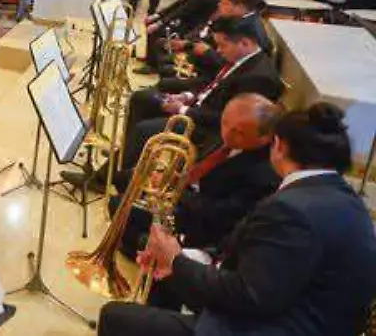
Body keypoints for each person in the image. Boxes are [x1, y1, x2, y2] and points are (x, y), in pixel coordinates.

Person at [98, 103, 376, 336]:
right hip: (290, 308)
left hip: (273, 325)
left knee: (115, 318)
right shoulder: (341, 196)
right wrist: (190, 260)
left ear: (278, 146)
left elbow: (249, 296)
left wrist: (175, 259)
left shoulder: (293, 210)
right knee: (167, 277)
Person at [71, 17, 283, 192]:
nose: (217, 50)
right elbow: (212, 86)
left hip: (210, 130)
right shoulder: (241, 59)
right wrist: (187, 96)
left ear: (245, 43)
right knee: (142, 98)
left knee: (145, 130)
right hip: (198, 109)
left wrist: (183, 110)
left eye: (222, 45)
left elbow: (227, 119)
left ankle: (103, 179)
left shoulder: (259, 76)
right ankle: (126, 157)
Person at [113, 94, 280, 265]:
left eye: (239, 133)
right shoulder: (230, 131)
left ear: (265, 138)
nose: (227, 134)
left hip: (199, 219)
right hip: (189, 193)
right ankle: (134, 235)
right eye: (224, 123)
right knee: (124, 178)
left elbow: (218, 214)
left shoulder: (264, 173)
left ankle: (145, 252)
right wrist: (167, 176)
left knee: (119, 205)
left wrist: (173, 190)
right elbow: (199, 164)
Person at [136, 0, 220, 75]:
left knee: (157, 31)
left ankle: (153, 65)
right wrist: (157, 15)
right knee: (151, 24)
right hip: (187, 19)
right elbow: (179, 4)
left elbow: (184, 11)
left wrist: (159, 23)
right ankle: (150, 58)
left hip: (194, 26)